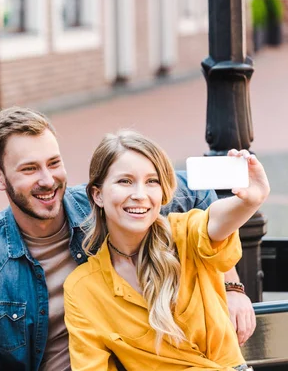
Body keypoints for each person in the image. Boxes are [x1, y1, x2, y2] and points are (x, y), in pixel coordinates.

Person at [0, 107, 256, 371]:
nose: (48, 180)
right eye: (30, 169)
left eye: (54, 163)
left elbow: (199, 198)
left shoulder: (112, 204)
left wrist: (231, 286)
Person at [64, 130, 269, 370]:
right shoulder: (82, 289)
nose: (140, 195)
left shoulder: (185, 235)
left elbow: (215, 222)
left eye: (152, 181)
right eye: (125, 181)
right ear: (97, 195)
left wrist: (249, 201)